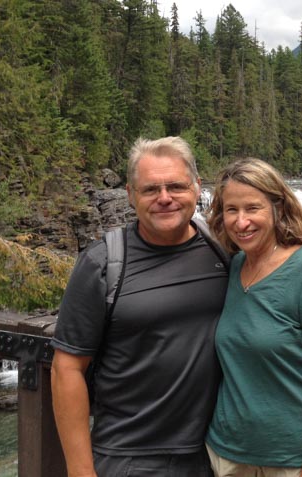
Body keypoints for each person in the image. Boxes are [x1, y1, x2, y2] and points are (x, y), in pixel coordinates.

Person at [51, 136, 229, 477]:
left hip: (214, 454)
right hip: (128, 457)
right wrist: (80, 470)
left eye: (175, 186)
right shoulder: (102, 263)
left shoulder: (223, 248)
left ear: (196, 187)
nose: (165, 198)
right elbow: (66, 369)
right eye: (150, 190)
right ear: (131, 195)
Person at [205, 158, 302, 477]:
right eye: (231, 210)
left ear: (277, 208)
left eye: (252, 208)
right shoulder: (235, 265)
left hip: (292, 460)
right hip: (227, 455)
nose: (241, 222)